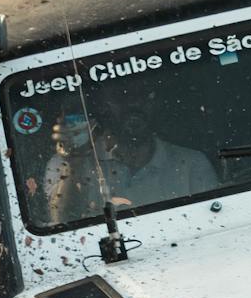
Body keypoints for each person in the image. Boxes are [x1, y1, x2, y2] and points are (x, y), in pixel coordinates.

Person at [44, 90, 216, 222]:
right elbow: (63, 223)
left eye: (142, 97)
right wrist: (75, 160)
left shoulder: (192, 164)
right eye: (121, 98)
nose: (133, 106)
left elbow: (214, 220)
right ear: (103, 108)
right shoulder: (66, 164)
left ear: (155, 104)